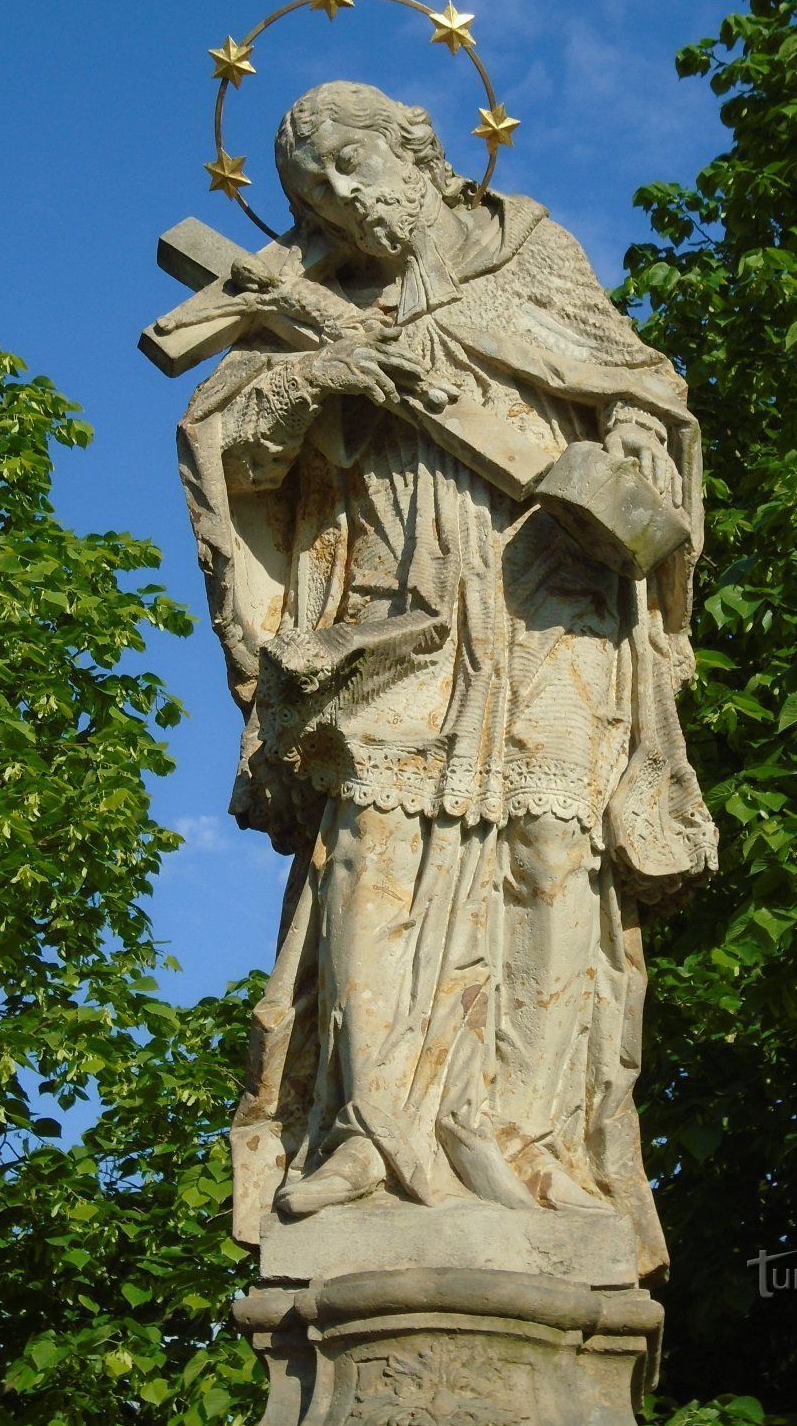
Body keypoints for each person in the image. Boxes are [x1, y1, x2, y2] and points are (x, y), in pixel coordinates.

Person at [177, 81, 716, 1281]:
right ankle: (367, 1138)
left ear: (416, 149)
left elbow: (643, 392)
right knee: (372, 850)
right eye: (316, 190)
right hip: (392, 604)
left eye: (355, 165)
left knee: (550, 855)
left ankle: (530, 1144)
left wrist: (625, 455)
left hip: (547, 602)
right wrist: (328, 380)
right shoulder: (302, 297)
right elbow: (230, 451)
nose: (343, 198)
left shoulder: (530, 251)